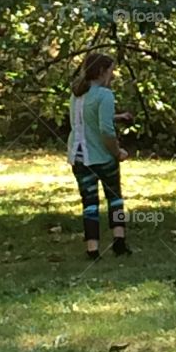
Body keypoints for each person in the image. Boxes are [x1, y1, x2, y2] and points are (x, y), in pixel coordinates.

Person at [67, 52, 131, 260]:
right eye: (111, 71)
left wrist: (117, 116)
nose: (113, 75)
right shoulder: (105, 95)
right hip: (101, 156)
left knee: (90, 202)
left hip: (78, 156)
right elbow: (105, 131)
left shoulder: (77, 95)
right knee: (114, 198)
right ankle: (119, 241)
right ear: (103, 72)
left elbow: (87, 119)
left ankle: (92, 249)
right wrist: (117, 152)